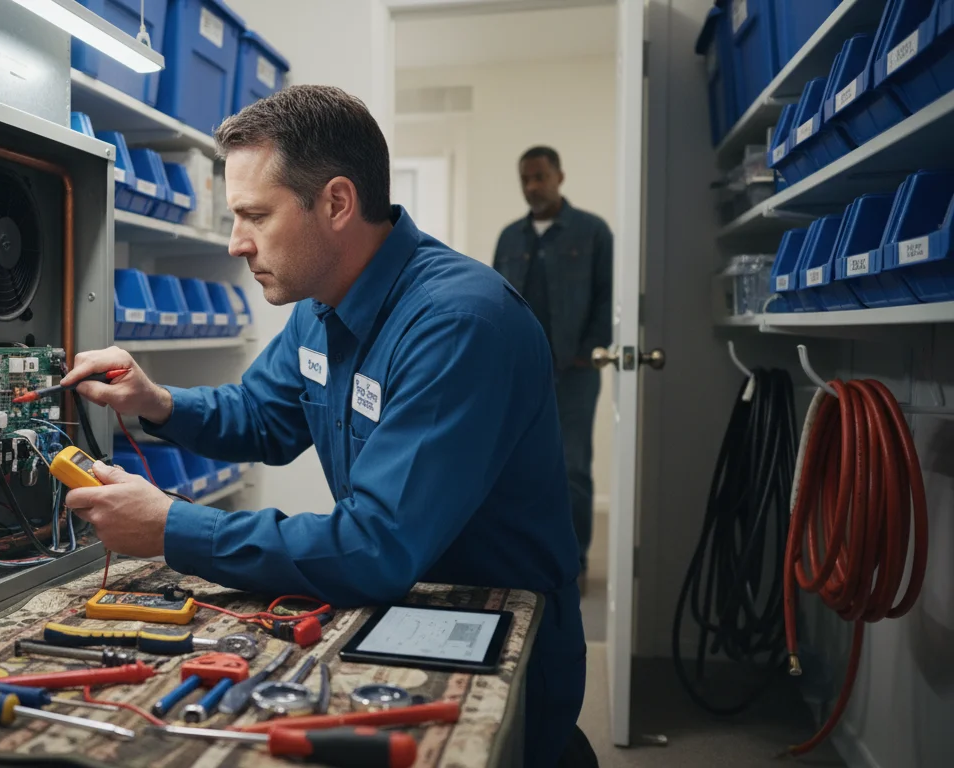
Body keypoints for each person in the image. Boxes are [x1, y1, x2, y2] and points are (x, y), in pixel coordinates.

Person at [62, 86, 584, 767]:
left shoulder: (460, 324)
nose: (234, 243)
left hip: (497, 641)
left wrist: (170, 526)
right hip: (394, 610)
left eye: (254, 215)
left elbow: (374, 544)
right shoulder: (320, 301)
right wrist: (155, 401)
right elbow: (263, 417)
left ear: (336, 203)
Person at [492, 147, 613, 585]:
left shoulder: (592, 232)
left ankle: (574, 561)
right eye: (526, 178)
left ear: (560, 176)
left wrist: (587, 351)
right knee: (516, 464)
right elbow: (497, 300)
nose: (532, 186)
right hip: (520, 371)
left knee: (572, 468)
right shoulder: (510, 237)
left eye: (540, 177)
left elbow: (607, 296)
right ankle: (526, 555)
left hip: (575, 372)